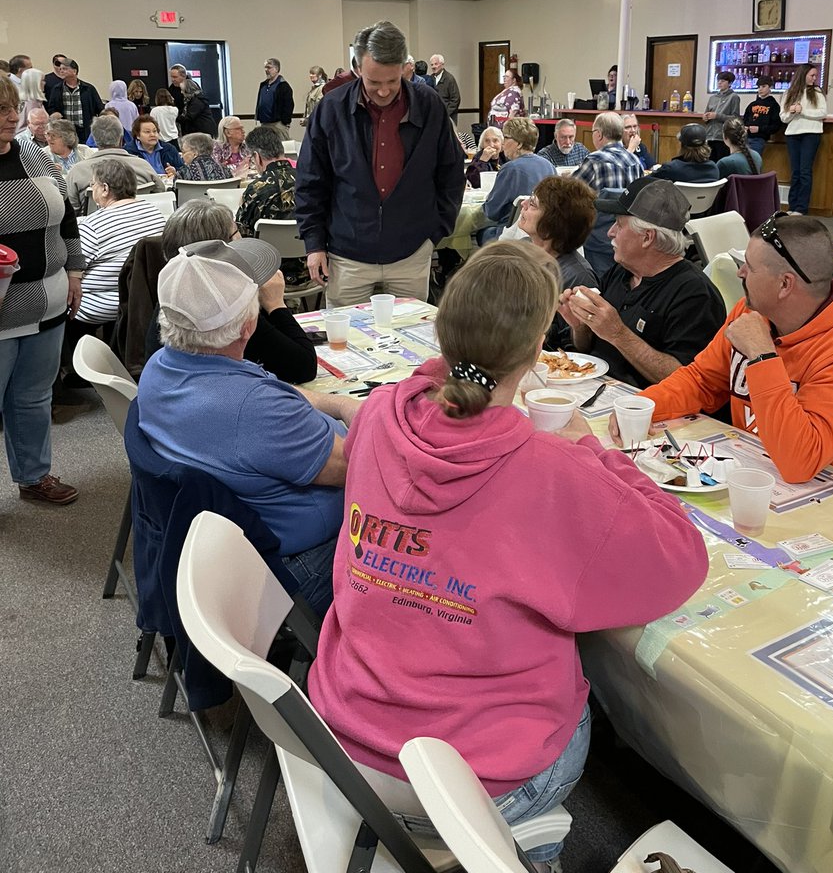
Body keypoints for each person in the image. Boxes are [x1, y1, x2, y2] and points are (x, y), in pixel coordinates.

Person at [308, 242, 708, 866]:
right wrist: (599, 455)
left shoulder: (383, 413)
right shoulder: (550, 469)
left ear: (443, 330)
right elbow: (682, 560)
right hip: (470, 781)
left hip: (340, 739)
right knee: (591, 683)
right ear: (538, 347)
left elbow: (419, 399)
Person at [134, 237, 363, 615]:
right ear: (248, 327)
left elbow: (264, 386)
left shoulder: (162, 367)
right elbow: (356, 468)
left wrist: (337, 404)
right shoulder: (253, 410)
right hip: (292, 566)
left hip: (222, 549)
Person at [616, 214, 833, 488]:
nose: (739, 272)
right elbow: (701, 381)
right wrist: (640, 408)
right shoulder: (753, 312)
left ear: (785, 284)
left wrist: (763, 357)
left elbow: (801, 460)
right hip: (764, 468)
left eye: (750, 267)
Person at [295, 21, 464, 306]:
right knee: (344, 345)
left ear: (404, 69)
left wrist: (435, 233)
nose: (384, 91)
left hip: (411, 252)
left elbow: (451, 171)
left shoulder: (429, 104)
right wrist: (314, 244)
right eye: (374, 82)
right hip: (346, 255)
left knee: (411, 342)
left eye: (392, 81)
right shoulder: (332, 108)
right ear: (357, 69)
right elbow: (311, 181)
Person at [0, 75, 84, 505]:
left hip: (47, 298)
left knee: (34, 396)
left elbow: (66, 216)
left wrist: (74, 270)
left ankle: (34, 477)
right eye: (0, 109)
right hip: (2, 310)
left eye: (12, 106)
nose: (11, 116)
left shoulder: (35, 154)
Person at [559, 178, 726, 389]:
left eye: (619, 225)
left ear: (647, 237)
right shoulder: (621, 272)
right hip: (592, 390)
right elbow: (588, 348)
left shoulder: (695, 294)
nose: (610, 232)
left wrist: (618, 334)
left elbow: (687, 381)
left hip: (644, 410)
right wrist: (580, 326)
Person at [139, 200, 319, 385]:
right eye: (237, 231)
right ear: (224, 250)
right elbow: (303, 367)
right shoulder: (225, 309)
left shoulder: (172, 298)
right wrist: (276, 305)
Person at [69, 159, 165, 343]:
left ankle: (74, 363)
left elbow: (74, 269)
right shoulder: (155, 213)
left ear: (105, 189)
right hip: (143, 303)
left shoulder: (93, 225)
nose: (92, 190)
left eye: (93, 185)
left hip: (100, 307)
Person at [518, 176, 598, 348]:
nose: (523, 204)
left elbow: (577, 348)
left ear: (552, 222)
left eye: (532, 204)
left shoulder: (577, 276)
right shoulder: (523, 249)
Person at [573, 112, 643, 281]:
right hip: (630, 237)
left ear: (599, 134)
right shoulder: (634, 161)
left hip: (598, 238)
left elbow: (569, 194)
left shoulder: (594, 161)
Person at [66, 114, 164, 213]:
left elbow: (71, 210)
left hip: (96, 225)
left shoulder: (77, 171)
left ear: (95, 140)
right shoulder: (143, 166)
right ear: (121, 139)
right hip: (140, 223)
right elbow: (161, 194)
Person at [480, 118, 554, 244]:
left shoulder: (511, 169)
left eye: (506, 137)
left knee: (482, 233)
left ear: (519, 143)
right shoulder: (549, 166)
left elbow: (492, 212)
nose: (503, 143)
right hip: (542, 233)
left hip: (513, 234)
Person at [781, 63, 827, 215]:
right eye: (811, 75)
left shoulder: (817, 92)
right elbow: (784, 117)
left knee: (805, 171)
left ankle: (801, 208)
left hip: (811, 133)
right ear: (803, 75)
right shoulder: (789, 92)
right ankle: (792, 206)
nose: (814, 78)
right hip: (793, 134)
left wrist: (803, 111)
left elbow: (822, 113)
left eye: (815, 76)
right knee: (795, 172)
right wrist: (793, 112)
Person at [236, 125, 296, 239]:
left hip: (265, 254)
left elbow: (242, 232)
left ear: (257, 157)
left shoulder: (256, 189)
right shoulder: (309, 180)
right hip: (308, 253)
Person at [44, 59, 104, 145]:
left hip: (85, 130)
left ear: (74, 71)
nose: (61, 71)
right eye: (60, 69)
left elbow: (99, 108)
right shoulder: (57, 89)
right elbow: (51, 108)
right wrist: (54, 113)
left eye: (64, 69)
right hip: (66, 131)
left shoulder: (88, 89)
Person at [652, 122, 719, 183]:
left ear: (682, 145)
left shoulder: (671, 168)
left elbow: (645, 181)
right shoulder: (713, 168)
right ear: (705, 144)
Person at [702, 71, 741, 161]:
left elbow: (736, 119)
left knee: (722, 162)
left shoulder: (733, 97)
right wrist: (705, 117)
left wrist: (717, 116)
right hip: (710, 135)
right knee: (710, 162)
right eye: (718, 80)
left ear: (730, 83)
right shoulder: (712, 98)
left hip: (723, 137)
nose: (719, 83)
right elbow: (706, 113)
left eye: (723, 81)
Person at [742, 74, 781, 156]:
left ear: (770, 87)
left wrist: (759, 129)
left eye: (763, 86)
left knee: (754, 163)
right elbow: (745, 119)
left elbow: (775, 126)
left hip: (759, 139)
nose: (760, 89)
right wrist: (744, 126)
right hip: (746, 137)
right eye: (759, 87)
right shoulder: (752, 104)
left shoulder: (774, 106)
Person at [255, 56, 294, 139]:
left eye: (269, 67)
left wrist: (284, 122)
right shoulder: (263, 85)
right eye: (265, 67)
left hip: (278, 124)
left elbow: (289, 105)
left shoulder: (283, 86)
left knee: (282, 148)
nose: (266, 70)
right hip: (264, 123)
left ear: (276, 69)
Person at [429, 53, 460, 123]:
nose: (433, 67)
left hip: (448, 118)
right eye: (432, 65)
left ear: (442, 64)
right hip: (434, 118)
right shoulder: (430, 79)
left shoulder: (449, 79)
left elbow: (455, 99)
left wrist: (446, 113)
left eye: (436, 64)